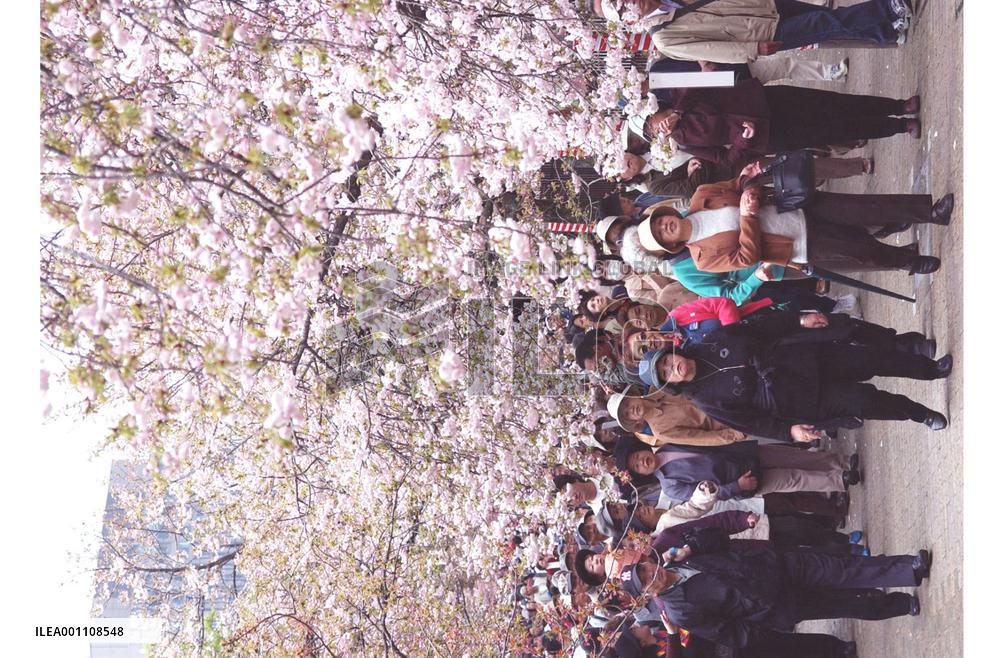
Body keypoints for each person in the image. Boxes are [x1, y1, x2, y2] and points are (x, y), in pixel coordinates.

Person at [638, 308, 953, 436]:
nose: (673, 368)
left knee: (872, 360)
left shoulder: (711, 339)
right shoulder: (706, 401)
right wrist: (789, 432)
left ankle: (931, 370)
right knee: (867, 402)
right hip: (800, 399)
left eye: (668, 361)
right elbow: (753, 423)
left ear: (673, 351)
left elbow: (760, 327)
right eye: (667, 373)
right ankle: (921, 414)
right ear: (671, 383)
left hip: (806, 357)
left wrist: (798, 320)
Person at [636, 162, 955, 274]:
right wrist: (747, 216)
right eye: (662, 235)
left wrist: (746, 179)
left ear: (665, 214)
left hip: (793, 205)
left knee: (864, 207)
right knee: (860, 251)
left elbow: (738, 186)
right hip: (797, 244)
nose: (665, 227)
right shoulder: (704, 258)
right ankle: (907, 261)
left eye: (660, 222)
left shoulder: (700, 196)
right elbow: (747, 257)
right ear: (671, 244)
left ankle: (929, 212)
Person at [620, 537, 931, 648]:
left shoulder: (680, 556)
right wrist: (763, 617)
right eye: (645, 580)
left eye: (645, 568)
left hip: (775, 566)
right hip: (776, 603)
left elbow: (719, 539)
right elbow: (728, 632)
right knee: (846, 602)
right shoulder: (677, 610)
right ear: (645, 594)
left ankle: (908, 569)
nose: (651, 574)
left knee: (840, 570)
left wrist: (694, 545)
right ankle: (900, 604)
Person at [625, 80, 921, 170]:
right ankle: (898, 127)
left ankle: (897, 106)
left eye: (652, 123)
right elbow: (725, 160)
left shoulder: (681, 95)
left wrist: (677, 110)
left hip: (764, 101)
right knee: (836, 130)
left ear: (654, 110)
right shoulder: (687, 143)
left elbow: (701, 85)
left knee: (835, 104)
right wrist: (742, 140)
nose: (659, 129)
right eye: (652, 134)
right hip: (769, 135)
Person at [595, 0, 913, 64]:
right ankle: (888, 9)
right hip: (758, 34)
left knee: (824, 16)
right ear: (629, 21)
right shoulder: (664, 36)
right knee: (826, 25)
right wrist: (752, 50)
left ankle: (886, 32)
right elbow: (709, 51)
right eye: (622, 9)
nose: (629, 3)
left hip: (761, 4)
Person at [613, 436, 858, 504]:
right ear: (641, 474)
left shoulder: (667, 442)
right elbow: (705, 497)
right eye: (637, 466)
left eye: (638, 456)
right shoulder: (670, 485)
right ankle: (839, 480)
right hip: (738, 480)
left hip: (738, 454)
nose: (642, 462)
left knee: (794, 456)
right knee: (791, 480)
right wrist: (736, 487)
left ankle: (841, 462)